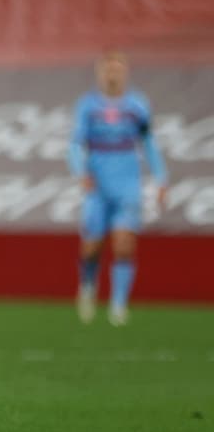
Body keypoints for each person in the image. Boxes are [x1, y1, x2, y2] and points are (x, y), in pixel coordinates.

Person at [68, 51, 167, 326]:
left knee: (124, 244)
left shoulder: (137, 105)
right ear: (100, 74)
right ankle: (88, 286)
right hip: (97, 187)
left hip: (127, 185)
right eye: (108, 69)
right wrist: (81, 172)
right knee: (92, 245)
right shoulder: (88, 105)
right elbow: (75, 144)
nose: (112, 74)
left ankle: (119, 304)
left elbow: (149, 143)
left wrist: (161, 179)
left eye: (117, 69)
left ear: (125, 72)